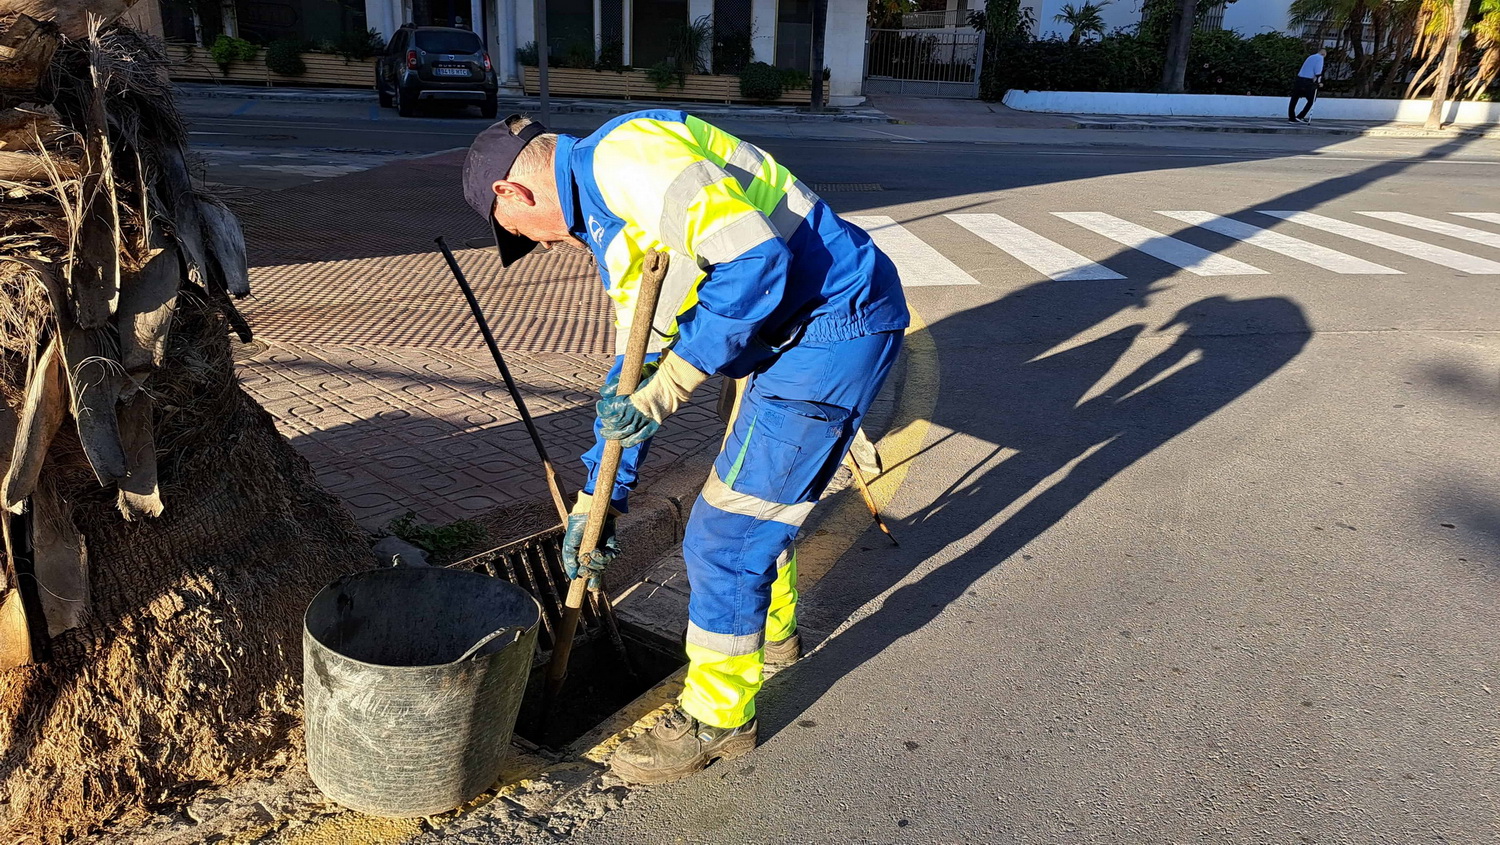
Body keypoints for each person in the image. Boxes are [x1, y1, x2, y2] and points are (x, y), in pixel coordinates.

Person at [462, 112, 908, 783]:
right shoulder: (614, 217)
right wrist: (599, 498)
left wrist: (672, 383)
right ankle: (770, 637)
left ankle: (719, 717)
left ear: (512, 195)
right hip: (790, 337)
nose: (546, 249)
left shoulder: (626, 161)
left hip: (830, 331)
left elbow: (758, 259)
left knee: (724, 535)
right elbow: (632, 374)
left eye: (525, 239)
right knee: (750, 504)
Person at [1289, 46, 1326, 124]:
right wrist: (1319, 83)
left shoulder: (1310, 57)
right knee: (1311, 99)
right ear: (1324, 53)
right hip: (1307, 81)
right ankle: (1300, 116)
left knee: (1294, 98)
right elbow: (1318, 71)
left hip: (1299, 79)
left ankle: (1291, 118)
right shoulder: (1320, 58)